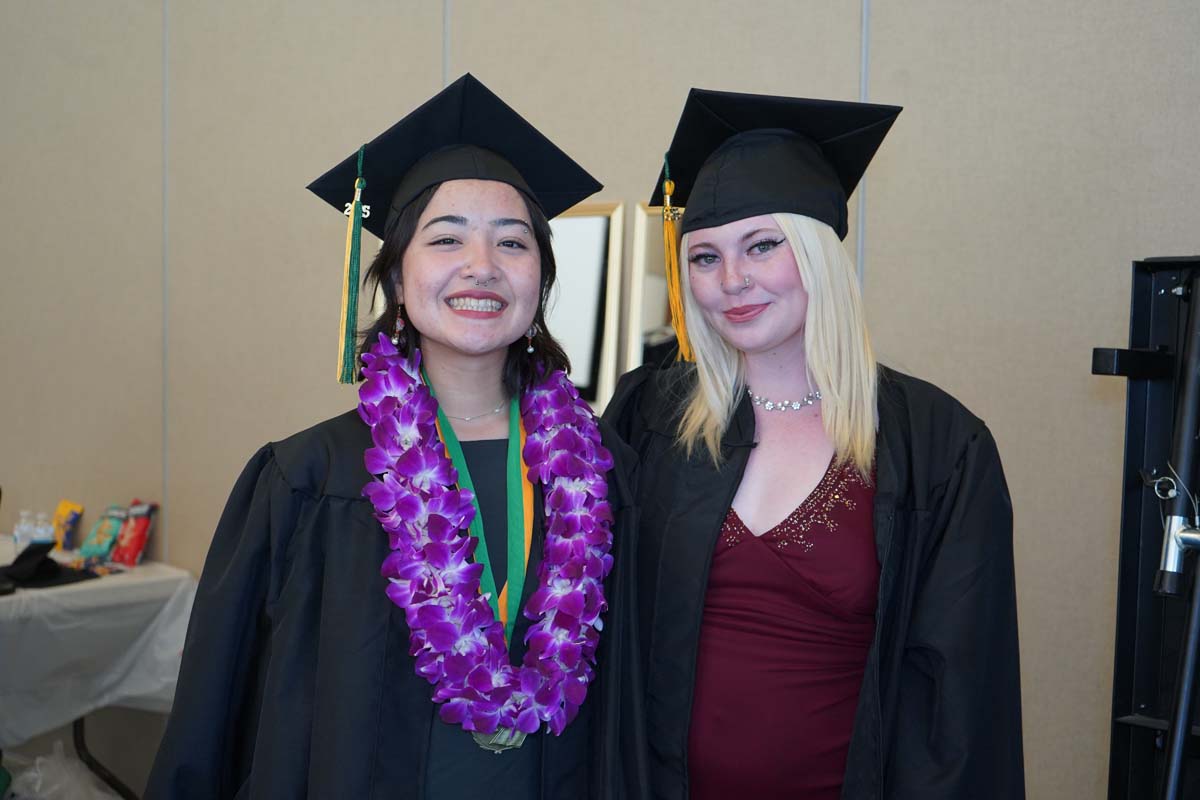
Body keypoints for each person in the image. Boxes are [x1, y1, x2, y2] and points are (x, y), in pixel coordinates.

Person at [146, 74, 646, 800]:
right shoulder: (308, 479)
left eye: (513, 243)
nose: (482, 266)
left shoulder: (604, 474)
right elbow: (219, 714)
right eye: (447, 240)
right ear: (398, 280)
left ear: (541, 280)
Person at [604, 88, 1024, 799]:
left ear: (819, 256)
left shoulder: (934, 445)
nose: (731, 281)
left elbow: (955, 699)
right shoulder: (651, 417)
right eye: (703, 256)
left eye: (762, 246)